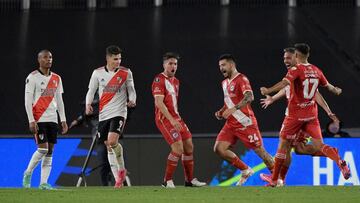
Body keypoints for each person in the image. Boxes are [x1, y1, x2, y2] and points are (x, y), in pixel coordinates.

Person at [260, 43, 350, 186]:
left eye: (290, 57)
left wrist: (268, 90)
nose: (287, 60)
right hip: (311, 115)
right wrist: (336, 92)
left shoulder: (296, 70)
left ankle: (275, 179)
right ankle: (337, 158)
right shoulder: (316, 70)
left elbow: (284, 83)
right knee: (306, 148)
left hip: (295, 116)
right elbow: (329, 88)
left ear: (296, 55)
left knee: (283, 145)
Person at [213, 54, 274, 186]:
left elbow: (249, 97)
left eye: (223, 65)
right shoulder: (224, 83)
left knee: (261, 152)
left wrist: (233, 109)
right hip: (230, 124)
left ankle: (277, 178)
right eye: (219, 66)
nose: (221, 68)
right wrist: (221, 111)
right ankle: (245, 170)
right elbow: (228, 102)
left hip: (245, 122)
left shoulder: (242, 79)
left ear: (231, 65)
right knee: (219, 149)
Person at [151, 52, 206, 188]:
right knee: (177, 148)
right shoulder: (159, 79)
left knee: (189, 146)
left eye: (175, 64)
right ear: (164, 65)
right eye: (170, 63)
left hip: (176, 118)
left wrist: (176, 119)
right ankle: (167, 180)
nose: (173, 66)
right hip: (164, 119)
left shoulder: (176, 81)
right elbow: (159, 102)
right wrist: (171, 120)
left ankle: (189, 180)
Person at [85, 45, 136, 188]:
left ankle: (121, 170)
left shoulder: (126, 72)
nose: (118, 61)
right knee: (108, 145)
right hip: (104, 114)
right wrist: (88, 104)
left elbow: (132, 90)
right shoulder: (97, 73)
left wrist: (132, 99)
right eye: (115, 59)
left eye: (119, 58)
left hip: (120, 112)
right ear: (108, 58)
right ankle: (118, 179)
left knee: (112, 141)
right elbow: (91, 90)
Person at [23, 49, 68, 190]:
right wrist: (31, 120)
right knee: (43, 149)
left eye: (50, 57)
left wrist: (63, 120)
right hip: (39, 118)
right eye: (45, 57)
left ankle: (43, 183)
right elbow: (27, 100)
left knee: (50, 151)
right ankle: (28, 173)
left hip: (53, 119)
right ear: (39, 60)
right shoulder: (32, 77)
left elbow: (60, 100)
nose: (48, 59)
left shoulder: (57, 78)